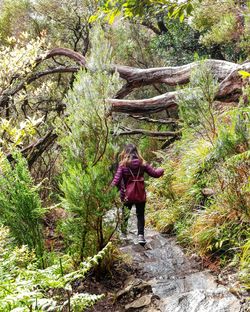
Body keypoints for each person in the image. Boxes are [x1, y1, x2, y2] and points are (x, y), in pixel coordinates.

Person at [111, 144, 164, 244]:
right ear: (136, 152)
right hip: (140, 193)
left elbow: (116, 180)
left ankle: (123, 234)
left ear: (126, 152)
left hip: (127, 195)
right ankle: (141, 236)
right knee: (140, 215)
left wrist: (109, 191)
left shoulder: (123, 165)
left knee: (125, 214)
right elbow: (155, 174)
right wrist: (161, 170)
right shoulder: (143, 163)